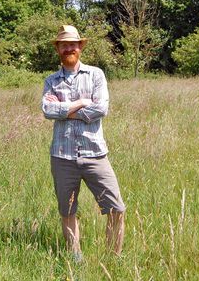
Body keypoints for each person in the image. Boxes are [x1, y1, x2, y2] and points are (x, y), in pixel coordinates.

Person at [41, 25, 125, 261]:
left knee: (116, 209)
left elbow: (101, 108)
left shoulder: (96, 74)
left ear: (80, 47)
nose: (69, 48)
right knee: (67, 211)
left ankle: (113, 259)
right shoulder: (50, 81)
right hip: (62, 156)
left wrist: (64, 110)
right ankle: (75, 259)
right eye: (64, 44)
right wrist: (80, 103)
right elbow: (47, 110)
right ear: (58, 49)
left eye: (73, 44)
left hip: (94, 153)